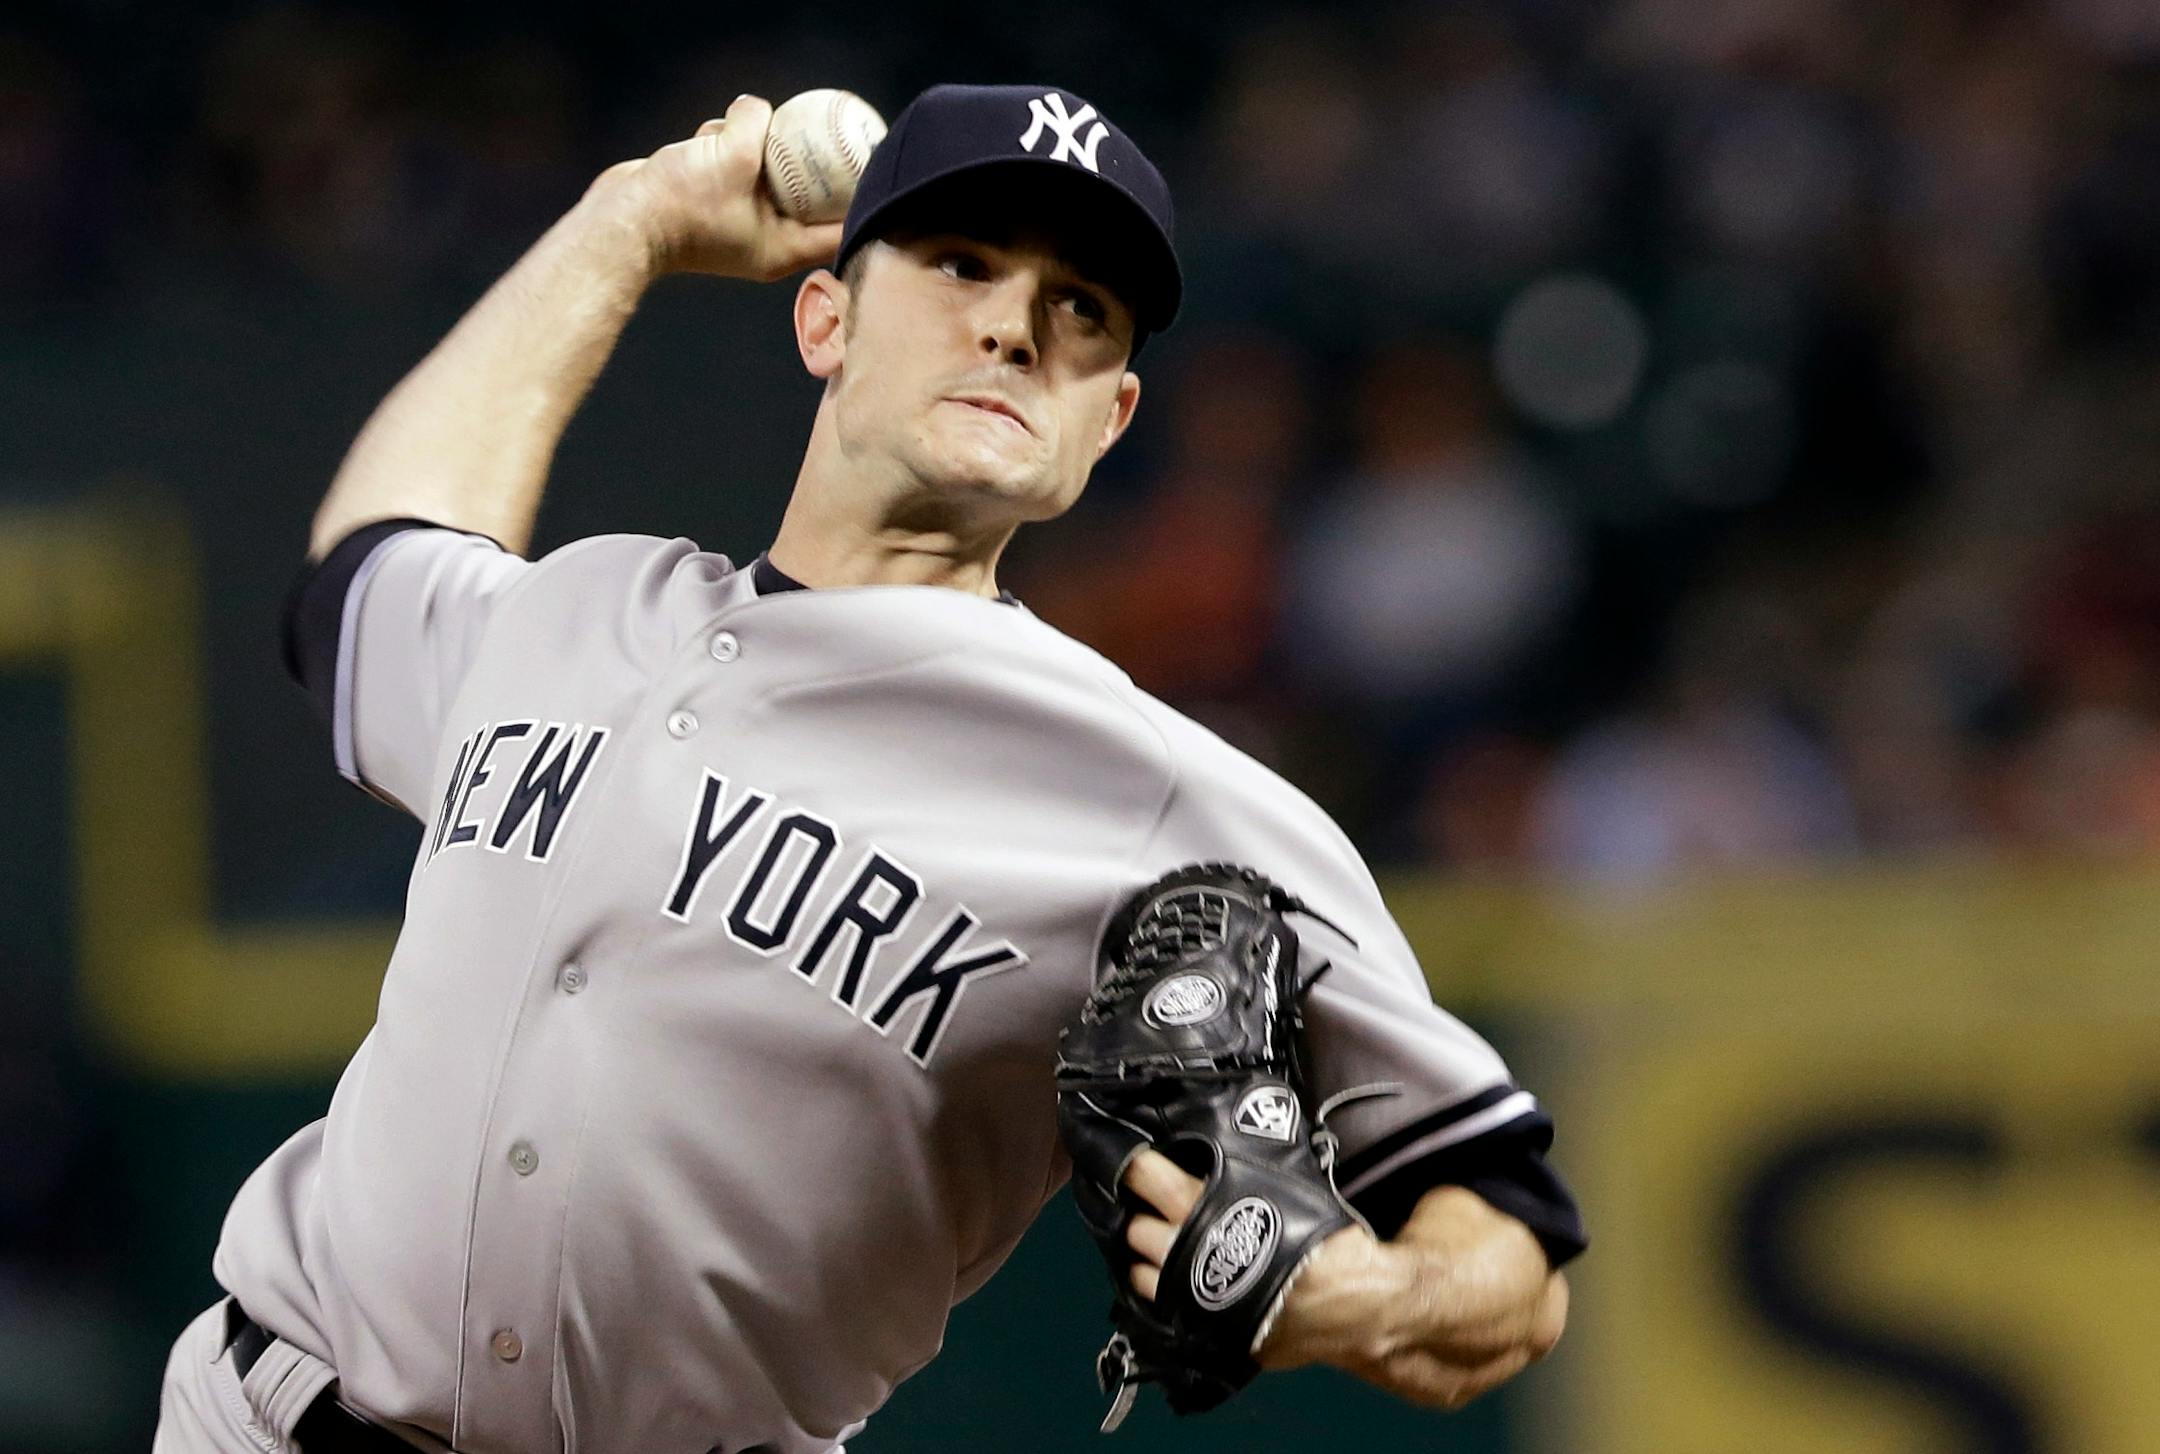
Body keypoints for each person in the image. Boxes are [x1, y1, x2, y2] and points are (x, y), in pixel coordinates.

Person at [154, 83, 1584, 1454]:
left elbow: (1509, 1242)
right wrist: (626, 225)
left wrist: (1382, 1293)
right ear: (825, 316)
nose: (1018, 325)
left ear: (1111, 421)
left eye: (1082, 310)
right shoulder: (581, 610)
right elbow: (358, 576)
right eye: (963, 263)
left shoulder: (1166, 802)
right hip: (265, 1412)